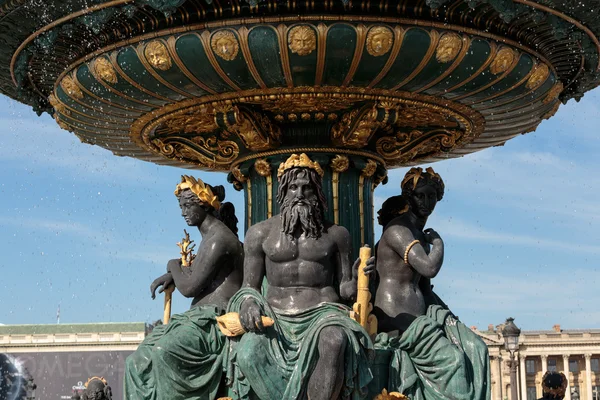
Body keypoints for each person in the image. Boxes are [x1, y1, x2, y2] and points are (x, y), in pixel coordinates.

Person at [225, 153, 375, 400]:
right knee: (249, 352)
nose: (300, 194)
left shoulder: (337, 235)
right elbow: (248, 288)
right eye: (293, 187)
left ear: (317, 193)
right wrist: (249, 303)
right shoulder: (259, 234)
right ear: (282, 192)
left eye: (307, 188)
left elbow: (346, 289)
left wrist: (362, 279)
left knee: (335, 340)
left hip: (324, 313)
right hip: (275, 317)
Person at [373, 167, 490, 400]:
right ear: (408, 196)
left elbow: (425, 290)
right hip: (398, 318)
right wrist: (438, 244)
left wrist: (449, 319)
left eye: (432, 196)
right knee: (454, 361)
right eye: (420, 195)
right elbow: (429, 268)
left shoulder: (417, 233)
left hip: (422, 318)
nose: (427, 202)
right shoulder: (398, 230)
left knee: (476, 348)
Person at [124, 176, 244, 400]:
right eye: (181, 206)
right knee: (136, 362)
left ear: (203, 203)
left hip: (214, 322)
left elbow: (189, 287)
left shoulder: (219, 239)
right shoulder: (209, 238)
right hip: (196, 319)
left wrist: (172, 265)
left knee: (164, 352)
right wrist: (174, 273)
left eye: (187, 205)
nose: (182, 212)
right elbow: (193, 277)